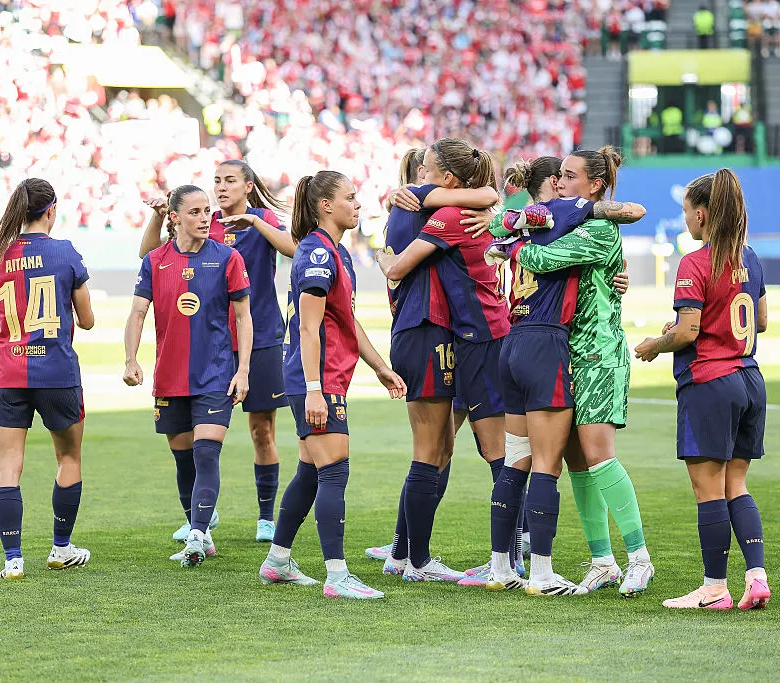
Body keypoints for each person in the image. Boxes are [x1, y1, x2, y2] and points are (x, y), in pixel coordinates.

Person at [481, 157, 647, 593]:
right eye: (558, 176)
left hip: (560, 347)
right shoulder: (551, 222)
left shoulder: (553, 225)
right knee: (552, 464)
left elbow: (519, 243)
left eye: (569, 175)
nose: (561, 182)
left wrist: (509, 239)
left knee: (555, 458)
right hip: (551, 348)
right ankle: (552, 570)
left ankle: (630, 557)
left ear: (592, 184)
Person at [259, 170, 407, 599]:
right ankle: (337, 575)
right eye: (351, 197)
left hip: (328, 375)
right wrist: (313, 388)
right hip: (316, 377)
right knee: (334, 471)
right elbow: (307, 328)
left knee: (310, 471)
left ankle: (278, 561)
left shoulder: (337, 254)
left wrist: (380, 366)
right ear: (326, 205)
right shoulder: (318, 254)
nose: (358, 204)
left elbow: (346, 320)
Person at [376, 138, 514, 575]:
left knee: (448, 450)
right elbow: (490, 196)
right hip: (451, 338)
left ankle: (409, 554)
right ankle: (420, 557)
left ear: (444, 178)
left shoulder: (440, 211)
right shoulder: (441, 209)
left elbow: (397, 265)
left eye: (427, 171)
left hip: (469, 339)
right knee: (450, 451)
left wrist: (383, 259)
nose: (420, 178)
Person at [635, 169, 771, 610]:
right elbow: (762, 321)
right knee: (738, 483)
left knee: (707, 488)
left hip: (711, 383)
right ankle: (756, 577)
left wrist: (658, 343)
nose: (685, 223)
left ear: (701, 213)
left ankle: (714, 588)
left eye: (685, 214)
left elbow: (690, 331)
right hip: (750, 379)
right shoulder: (750, 257)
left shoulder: (695, 263)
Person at [140, 160, 294, 544]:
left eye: (230, 181)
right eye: (217, 181)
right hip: (209, 344)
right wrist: (161, 218)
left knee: (262, 429)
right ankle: (200, 515)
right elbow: (148, 256)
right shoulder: (206, 224)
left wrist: (256, 224)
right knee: (195, 438)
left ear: (248, 186)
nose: (221, 188)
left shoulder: (263, 220)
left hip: (260, 339)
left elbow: (294, 249)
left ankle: (265, 517)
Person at [124, 184, 254, 568]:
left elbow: (245, 318)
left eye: (207, 211)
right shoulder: (155, 261)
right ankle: (201, 530)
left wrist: (243, 369)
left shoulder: (228, 258)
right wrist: (130, 359)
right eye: (195, 212)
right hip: (169, 377)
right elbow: (136, 314)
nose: (204, 218)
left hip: (215, 376)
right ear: (175, 217)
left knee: (205, 452)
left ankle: (196, 534)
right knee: (184, 461)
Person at [0, 178, 95, 580]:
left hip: (8, 371)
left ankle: (13, 558)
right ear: (51, 210)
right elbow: (87, 320)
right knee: (69, 457)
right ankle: (61, 548)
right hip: (56, 372)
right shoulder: (65, 253)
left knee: (8, 467)